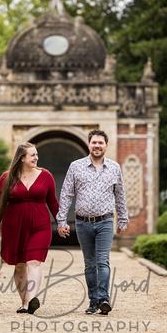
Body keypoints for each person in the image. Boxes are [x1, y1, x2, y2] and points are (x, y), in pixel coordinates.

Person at [56, 129, 129, 315]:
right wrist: (61, 219)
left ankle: (104, 299)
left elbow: (120, 195)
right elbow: (66, 194)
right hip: (82, 223)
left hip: (105, 222)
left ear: (106, 145)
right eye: (94, 142)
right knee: (90, 263)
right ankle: (93, 301)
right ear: (89, 145)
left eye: (100, 143)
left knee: (103, 261)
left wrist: (123, 219)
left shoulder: (114, 167)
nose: (97, 146)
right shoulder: (76, 166)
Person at [0, 142, 59, 314]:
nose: (36, 157)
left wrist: (61, 222)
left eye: (36, 154)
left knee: (34, 262)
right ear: (21, 158)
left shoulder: (46, 176)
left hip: (40, 226)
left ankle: (31, 301)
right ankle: (25, 302)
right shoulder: (6, 178)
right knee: (20, 265)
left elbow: (53, 202)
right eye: (32, 155)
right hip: (14, 227)